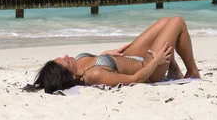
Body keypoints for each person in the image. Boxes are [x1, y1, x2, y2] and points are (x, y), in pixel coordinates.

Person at [24, 16, 200, 94]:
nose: (67, 55)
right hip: (147, 69)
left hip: (130, 58)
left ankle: (174, 69)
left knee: (164, 22)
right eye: (65, 60)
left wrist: (105, 55)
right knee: (177, 22)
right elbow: (136, 79)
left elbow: (97, 63)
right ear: (67, 73)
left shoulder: (79, 64)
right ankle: (192, 72)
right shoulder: (93, 75)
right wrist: (157, 62)